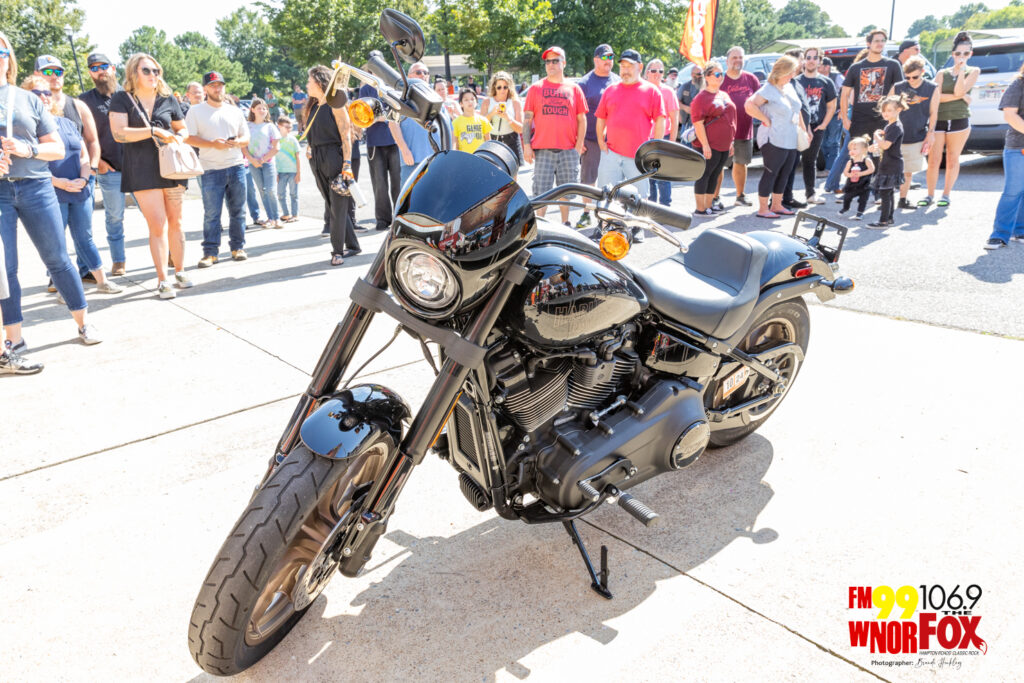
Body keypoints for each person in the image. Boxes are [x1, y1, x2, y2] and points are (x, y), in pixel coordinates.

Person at [1, 31, 102, 347]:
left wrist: (27, 149)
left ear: (9, 60)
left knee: (57, 259)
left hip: (36, 187)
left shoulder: (28, 98)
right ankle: (14, 341)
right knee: (5, 269)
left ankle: (84, 323)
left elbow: (56, 148)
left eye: (1, 53)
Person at [25, 76, 121, 295]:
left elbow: (83, 155)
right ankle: (63, 289)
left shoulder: (66, 123)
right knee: (56, 243)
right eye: (37, 93)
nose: (44, 97)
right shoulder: (28, 129)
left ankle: (102, 281)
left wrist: (84, 179)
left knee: (85, 238)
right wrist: (59, 182)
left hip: (79, 189)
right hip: (50, 192)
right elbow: (29, 164)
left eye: (47, 93)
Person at [109, 53, 190, 299]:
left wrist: (179, 137)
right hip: (141, 167)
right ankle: (163, 279)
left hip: (172, 165)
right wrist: (154, 131)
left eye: (156, 71)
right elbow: (119, 133)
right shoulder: (122, 98)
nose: (153, 75)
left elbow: (182, 127)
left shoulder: (168, 98)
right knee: (157, 223)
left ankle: (180, 271)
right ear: (134, 72)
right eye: (147, 70)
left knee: (176, 221)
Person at [184, 71, 250, 271]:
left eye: (220, 84)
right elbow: (188, 138)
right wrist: (212, 144)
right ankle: (210, 252)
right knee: (212, 214)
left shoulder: (234, 111)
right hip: (211, 169)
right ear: (205, 89)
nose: (217, 88)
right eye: (212, 85)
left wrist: (237, 142)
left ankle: (238, 248)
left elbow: (246, 137)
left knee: (238, 211)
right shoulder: (195, 111)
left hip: (236, 166)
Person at [595, 47, 666, 233]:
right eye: (623, 66)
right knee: (606, 193)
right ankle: (605, 227)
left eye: (629, 66)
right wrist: (601, 141)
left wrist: (655, 147)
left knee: (639, 196)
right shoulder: (610, 90)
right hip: (611, 152)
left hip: (638, 156)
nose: (625, 70)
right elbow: (601, 117)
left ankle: (636, 229)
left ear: (640, 67)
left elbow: (660, 119)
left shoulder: (651, 91)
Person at [523, 46, 588, 226]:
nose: (550, 64)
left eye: (555, 61)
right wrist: (526, 145)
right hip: (543, 149)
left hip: (568, 149)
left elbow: (582, 119)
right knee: (541, 192)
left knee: (566, 191)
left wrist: (579, 144)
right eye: (547, 61)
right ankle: (540, 226)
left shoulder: (574, 88)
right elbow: (527, 119)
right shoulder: (536, 88)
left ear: (563, 63)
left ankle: (565, 223)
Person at [78, 52, 130, 276]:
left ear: (113, 68)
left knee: (154, 215)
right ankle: (118, 260)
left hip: (139, 167)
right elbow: (80, 136)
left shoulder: (129, 95)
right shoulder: (83, 101)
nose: (100, 71)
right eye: (94, 68)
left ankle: (167, 252)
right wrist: (97, 161)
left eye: (103, 66)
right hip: (110, 169)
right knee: (114, 217)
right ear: (90, 73)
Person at [304, 64, 359, 265]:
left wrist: (347, 164)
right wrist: (310, 147)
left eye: (309, 81)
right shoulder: (314, 106)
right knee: (332, 204)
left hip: (334, 157)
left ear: (320, 82)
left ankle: (337, 251)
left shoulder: (336, 105)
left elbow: (346, 136)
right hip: (317, 158)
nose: (307, 85)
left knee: (338, 205)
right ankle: (353, 245)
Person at [745, 55, 809, 218]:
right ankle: (763, 209)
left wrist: (804, 130)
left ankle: (777, 204)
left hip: (790, 137)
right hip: (773, 138)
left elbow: (797, 109)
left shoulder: (788, 87)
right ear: (781, 71)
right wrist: (765, 119)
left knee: (785, 172)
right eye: (790, 72)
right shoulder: (767, 89)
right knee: (771, 172)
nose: (792, 75)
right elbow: (749, 105)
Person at [840, 29, 903, 188]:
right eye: (876, 41)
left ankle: (879, 190)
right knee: (858, 157)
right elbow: (845, 93)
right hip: (859, 120)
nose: (880, 44)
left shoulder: (892, 65)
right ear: (868, 43)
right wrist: (845, 117)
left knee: (880, 156)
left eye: (882, 41)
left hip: (883, 120)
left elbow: (899, 92)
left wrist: (894, 117)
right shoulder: (856, 67)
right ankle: (858, 190)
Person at [923, 32, 979, 208]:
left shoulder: (973, 71)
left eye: (966, 53)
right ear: (952, 54)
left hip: (959, 119)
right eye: (958, 53)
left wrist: (961, 72)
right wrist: (961, 97)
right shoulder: (942, 73)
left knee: (952, 159)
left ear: (970, 54)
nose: (961, 56)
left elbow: (959, 91)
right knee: (934, 159)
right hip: (939, 119)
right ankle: (929, 194)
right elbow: (935, 96)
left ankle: (946, 194)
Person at [33, 55, 101, 190]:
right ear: (36, 74)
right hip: (44, 186)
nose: (54, 76)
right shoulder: (29, 109)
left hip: (81, 183)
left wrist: (91, 172)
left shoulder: (79, 106)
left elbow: (93, 141)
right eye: (48, 72)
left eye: (58, 72)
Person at [575, 44, 619, 226]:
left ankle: (609, 215)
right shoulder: (584, 83)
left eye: (611, 57)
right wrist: (578, 140)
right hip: (591, 139)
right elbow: (575, 114)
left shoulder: (617, 81)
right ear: (595, 60)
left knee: (612, 180)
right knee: (589, 180)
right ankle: (586, 213)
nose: (609, 61)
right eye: (605, 57)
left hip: (614, 140)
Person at [890, 56, 939, 209]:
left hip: (916, 134)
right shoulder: (898, 87)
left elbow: (933, 113)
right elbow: (887, 107)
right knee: (891, 170)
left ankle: (902, 199)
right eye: (908, 77)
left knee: (908, 171)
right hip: (896, 134)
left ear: (923, 72)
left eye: (915, 77)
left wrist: (931, 133)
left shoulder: (932, 88)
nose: (911, 80)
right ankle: (886, 201)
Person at [689, 62, 737, 216]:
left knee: (715, 174)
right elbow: (698, 123)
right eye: (717, 74)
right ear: (707, 77)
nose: (720, 77)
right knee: (705, 174)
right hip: (709, 144)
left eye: (722, 74)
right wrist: (705, 145)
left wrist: (731, 141)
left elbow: (730, 119)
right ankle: (700, 209)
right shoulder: (701, 98)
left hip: (724, 144)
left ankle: (708, 206)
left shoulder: (723, 94)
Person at [360, 64, 404, 232]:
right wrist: (381, 117)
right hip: (375, 142)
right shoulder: (365, 90)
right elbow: (363, 115)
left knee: (398, 182)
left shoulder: (391, 88)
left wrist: (379, 116)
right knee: (379, 183)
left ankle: (399, 217)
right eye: (372, 69)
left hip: (394, 140)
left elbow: (398, 111)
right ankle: (382, 219)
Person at [986, 62, 1024, 249]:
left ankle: (1020, 230)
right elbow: (1010, 115)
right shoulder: (1018, 84)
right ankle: (999, 235)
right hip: (1019, 147)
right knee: (1013, 191)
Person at [392, 66, 450, 185]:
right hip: (412, 160)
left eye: (426, 72)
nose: (423, 75)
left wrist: (449, 154)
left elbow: (448, 130)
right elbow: (393, 124)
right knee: (410, 196)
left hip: (436, 161)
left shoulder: (436, 99)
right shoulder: (402, 99)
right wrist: (404, 150)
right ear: (409, 76)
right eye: (418, 72)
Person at [794, 47, 837, 205]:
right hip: (797, 127)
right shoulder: (796, 81)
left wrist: (824, 125)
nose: (811, 60)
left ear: (820, 61)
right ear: (804, 60)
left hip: (816, 127)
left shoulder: (826, 82)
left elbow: (832, 106)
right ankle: (783, 196)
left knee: (809, 160)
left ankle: (810, 194)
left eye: (815, 57)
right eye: (808, 57)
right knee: (790, 161)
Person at [720, 47, 760, 207]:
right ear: (727, 61)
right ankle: (714, 198)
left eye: (740, 57)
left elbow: (760, 101)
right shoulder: (720, 79)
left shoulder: (751, 79)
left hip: (744, 130)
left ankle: (740, 196)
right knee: (719, 166)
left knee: (741, 163)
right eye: (734, 57)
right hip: (722, 133)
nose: (737, 60)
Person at [867, 95, 907, 228]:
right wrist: (874, 147)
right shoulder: (890, 125)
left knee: (885, 193)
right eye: (884, 110)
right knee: (889, 193)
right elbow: (883, 146)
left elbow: (885, 145)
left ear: (898, 110)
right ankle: (889, 219)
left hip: (891, 165)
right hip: (888, 164)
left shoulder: (895, 127)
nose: (885, 113)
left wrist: (876, 136)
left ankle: (883, 221)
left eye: (889, 110)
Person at [644, 58, 680, 206]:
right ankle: (650, 207)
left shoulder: (668, 92)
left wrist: (672, 142)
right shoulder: (642, 90)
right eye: (654, 70)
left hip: (663, 139)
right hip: (644, 139)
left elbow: (675, 119)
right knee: (647, 176)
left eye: (660, 71)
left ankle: (665, 207)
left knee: (663, 176)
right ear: (647, 72)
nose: (657, 73)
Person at [243, 97, 281, 229]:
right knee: (262, 191)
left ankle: (276, 218)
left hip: (268, 163)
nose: (262, 110)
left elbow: (276, 147)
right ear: (252, 109)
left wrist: (263, 159)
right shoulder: (247, 126)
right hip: (253, 164)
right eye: (259, 108)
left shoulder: (270, 126)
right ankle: (270, 218)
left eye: (264, 108)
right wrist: (252, 160)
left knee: (270, 190)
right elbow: (243, 147)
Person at [480, 71, 523, 162]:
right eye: (499, 87)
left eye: (505, 87)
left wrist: (508, 118)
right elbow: (481, 125)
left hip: (512, 140)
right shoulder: (487, 102)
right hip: (493, 140)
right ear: (494, 87)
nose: (502, 90)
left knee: (515, 170)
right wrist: (492, 113)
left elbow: (520, 129)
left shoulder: (515, 102)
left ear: (509, 87)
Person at [837, 136, 875, 219]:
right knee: (847, 197)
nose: (852, 151)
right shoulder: (850, 162)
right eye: (850, 149)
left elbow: (872, 169)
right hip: (852, 184)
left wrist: (861, 173)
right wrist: (850, 175)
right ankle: (846, 207)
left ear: (864, 150)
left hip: (864, 184)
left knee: (863, 200)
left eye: (855, 149)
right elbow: (845, 172)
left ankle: (860, 213)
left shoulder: (866, 160)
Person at [820, 57, 845, 176]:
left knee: (833, 142)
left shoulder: (837, 77)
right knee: (823, 142)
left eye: (820, 65)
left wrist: (842, 110)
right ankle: (827, 168)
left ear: (827, 67)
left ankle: (831, 169)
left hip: (835, 115)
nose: (817, 67)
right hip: (822, 115)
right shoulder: (817, 78)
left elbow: (847, 92)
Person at [275, 116, 300, 222]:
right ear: (279, 126)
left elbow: (297, 157)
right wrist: (275, 173)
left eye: (290, 127)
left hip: (293, 172)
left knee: (294, 194)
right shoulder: (276, 140)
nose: (290, 129)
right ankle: (286, 214)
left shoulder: (293, 140)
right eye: (287, 127)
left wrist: (298, 173)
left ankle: (295, 215)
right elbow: (273, 157)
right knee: (280, 194)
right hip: (280, 172)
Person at [677, 64, 703, 132]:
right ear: (692, 75)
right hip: (687, 124)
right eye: (699, 74)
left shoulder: (705, 87)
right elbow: (676, 102)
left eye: (702, 74)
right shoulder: (685, 87)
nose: (701, 76)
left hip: (702, 123)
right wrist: (685, 108)